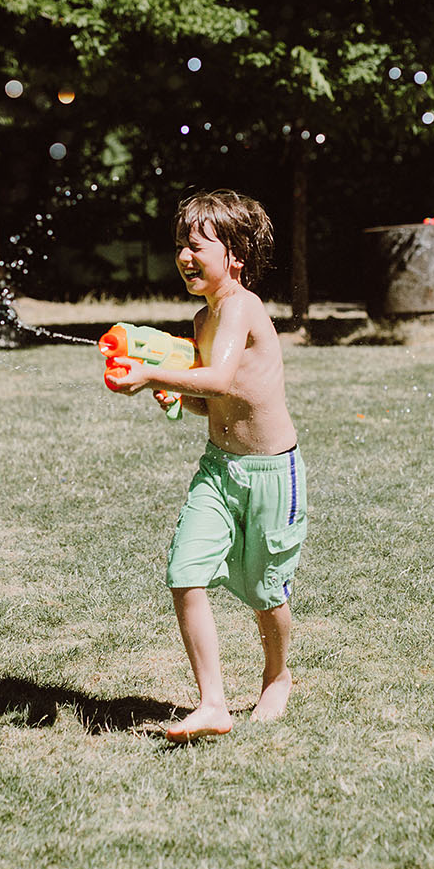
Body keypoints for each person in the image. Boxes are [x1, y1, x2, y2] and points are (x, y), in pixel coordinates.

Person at [105, 190, 307, 743]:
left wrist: (153, 377)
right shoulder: (203, 316)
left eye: (197, 246)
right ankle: (212, 703)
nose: (185, 256)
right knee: (185, 573)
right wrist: (175, 396)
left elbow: (218, 377)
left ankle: (276, 674)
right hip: (219, 469)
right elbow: (213, 398)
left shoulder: (243, 305)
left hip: (271, 474)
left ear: (234, 255)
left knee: (267, 591)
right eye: (180, 246)